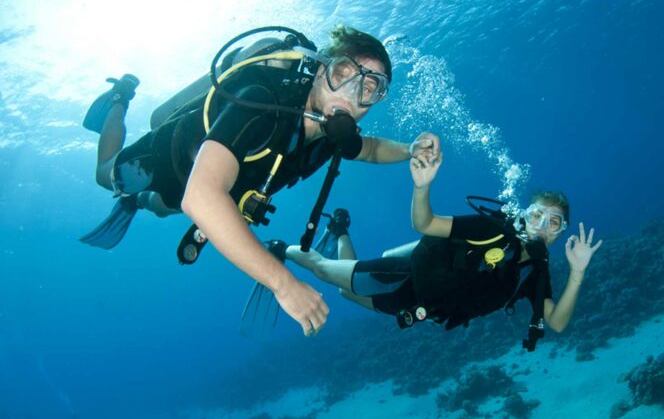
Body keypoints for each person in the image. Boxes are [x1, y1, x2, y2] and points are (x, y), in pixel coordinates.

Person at [79, 25, 441, 337]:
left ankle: (138, 201)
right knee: (105, 176)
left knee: (162, 208)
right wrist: (282, 284)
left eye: (371, 88)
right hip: (172, 156)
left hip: (211, 186)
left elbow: (369, 148)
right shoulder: (264, 102)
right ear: (320, 70)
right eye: (344, 73)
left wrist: (410, 149)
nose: (351, 94)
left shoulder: (332, 131)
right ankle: (118, 99)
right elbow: (202, 197)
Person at [274, 150, 603, 351]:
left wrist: (577, 273)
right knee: (323, 271)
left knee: (347, 293)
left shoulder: (535, 273)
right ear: (522, 216)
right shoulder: (490, 230)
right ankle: (281, 249)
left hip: (421, 309)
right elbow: (426, 223)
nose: (542, 227)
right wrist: (422, 186)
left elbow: (557, 323)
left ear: (561, 233)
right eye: (536, 216)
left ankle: (339, 230)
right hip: (402, 278)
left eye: (554, 223)